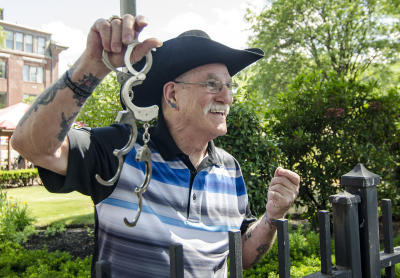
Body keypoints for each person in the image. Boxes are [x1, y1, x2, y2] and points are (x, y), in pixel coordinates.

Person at [11, 14, 300, 277]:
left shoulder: (229, 169)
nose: (228, 97)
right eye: (213, 85)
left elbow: (243, 255)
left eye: (228, 86)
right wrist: (93, 65)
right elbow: (32, 145)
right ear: (172, 94)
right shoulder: (120, 150)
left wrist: (272, 217)